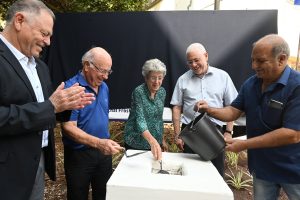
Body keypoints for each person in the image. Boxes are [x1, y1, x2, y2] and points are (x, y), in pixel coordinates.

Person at [0, 0, 95, 200]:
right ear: (19, 21)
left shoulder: (40, 66)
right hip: (7, 171)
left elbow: (47, 110)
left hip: (38, 162)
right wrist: (51, 106)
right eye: (44, 34)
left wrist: (66, 105)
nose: (49, 42)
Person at [194, 34, 300, 200]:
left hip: (294, 169)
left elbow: (292, 134)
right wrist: (209, 110)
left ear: (281, 59)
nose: (253, 65)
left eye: (260, 61)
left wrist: (244, 144)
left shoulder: (296, 87)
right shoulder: (251, 84)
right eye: (252, 60)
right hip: (263, 168)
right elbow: (233, 112)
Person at [61, 47, 123, 200]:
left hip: (103, 153)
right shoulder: (71, 88)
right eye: (102, 70)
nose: (106, 76)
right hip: (79, 156)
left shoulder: (104, 87)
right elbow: (68, 127)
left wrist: (103, 144)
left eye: (108, 71)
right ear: (87, 65)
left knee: (103, 195)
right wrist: (98, 143)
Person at [170, 43, 238, 176]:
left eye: (196, 60)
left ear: (206, 56)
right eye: (190, 62)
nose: (194, 65)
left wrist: (228, 131)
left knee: (216, 174)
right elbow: (177, 108)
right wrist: (178, 135)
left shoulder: (223, 77)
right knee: (191, 174)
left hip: (215, 132)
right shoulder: (183, 79)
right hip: (190, 132)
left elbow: (232, 106)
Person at [123, 58, 167, 160]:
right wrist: (153, 141)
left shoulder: (162, 92)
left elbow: (158, 119)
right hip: (136, 142)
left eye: (160, 78)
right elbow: (140, 120)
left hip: (155, 142)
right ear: (146, 78)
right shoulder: (138, 92)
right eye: (153, 78)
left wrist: (161, 139)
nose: (157, 82)